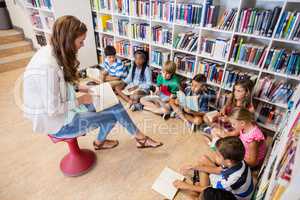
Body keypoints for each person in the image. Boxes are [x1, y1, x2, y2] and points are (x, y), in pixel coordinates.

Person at [23, 15, 162, 150]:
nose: (82, 45)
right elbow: (53, 110)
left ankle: (135, 138)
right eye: (80, 41)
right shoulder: (47, 67)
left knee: (112, 100)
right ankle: (130, 139)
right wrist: (81, 100)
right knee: (113, 116)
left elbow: (60, 83)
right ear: (68, 40)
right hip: (59, 123)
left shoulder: (54, 51)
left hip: (68, 111)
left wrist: (80, 87)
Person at [173, 137, 254, 200]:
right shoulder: (238, 161)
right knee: (203, 159)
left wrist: (185, 186)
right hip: (233, 186)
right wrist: (194, 167)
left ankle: (198, 188)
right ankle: (198, 184)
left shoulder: (229, 182)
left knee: (193, 196)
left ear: (228, 161)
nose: (215, 156)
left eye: (218, 156)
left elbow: (210, 191)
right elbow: (219, 170)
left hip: (233, 197)